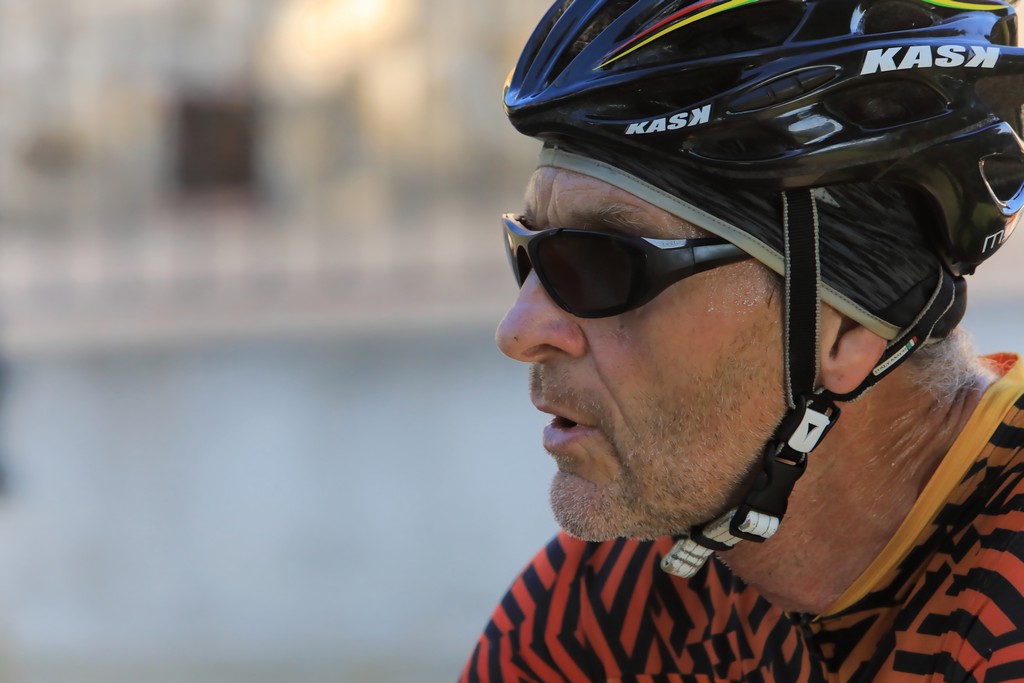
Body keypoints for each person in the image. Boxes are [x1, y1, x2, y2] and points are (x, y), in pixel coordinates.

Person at [460, 0, 1024, 680]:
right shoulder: (603, 613)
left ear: (846, 328)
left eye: (600, 263)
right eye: (528, 252)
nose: (518, 331)